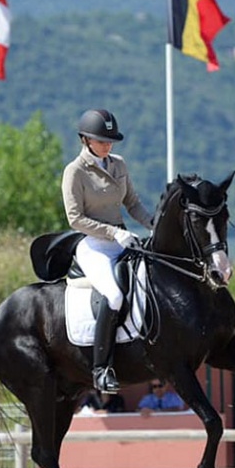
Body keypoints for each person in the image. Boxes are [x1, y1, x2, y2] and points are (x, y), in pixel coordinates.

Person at [61, 109, 154, 394]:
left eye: (110, 140)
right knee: (113, 295)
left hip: (122, 239)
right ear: (86, 140)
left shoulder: (119, 165)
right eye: (102, 140)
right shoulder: (75, 171)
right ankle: (101, 369)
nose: (108, 145)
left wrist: (153, 225)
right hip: (93, 244)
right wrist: (114, 232)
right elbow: (75, 218)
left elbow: (133, 202)